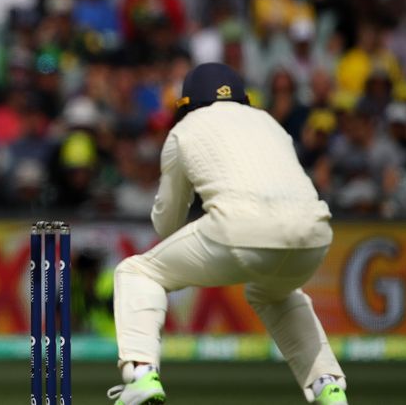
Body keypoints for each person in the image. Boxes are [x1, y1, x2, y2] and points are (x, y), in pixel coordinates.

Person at [107, 63, 348, 405]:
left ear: (188, 103)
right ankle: (328, 385)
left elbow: (168, 224)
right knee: (276, 294)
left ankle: (142, 375)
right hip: (315, 234)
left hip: (239, 229)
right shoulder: (270, 123)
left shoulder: (186, 129)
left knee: (137, 272)